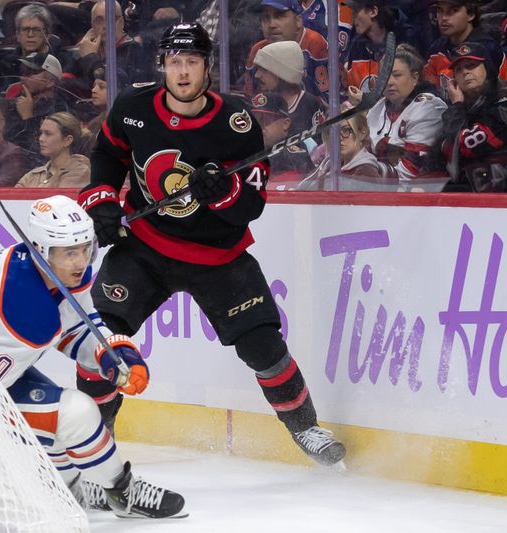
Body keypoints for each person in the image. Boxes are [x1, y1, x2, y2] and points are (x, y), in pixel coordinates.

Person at [80, 22, 346, 466]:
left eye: (192, 62)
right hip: (145, 247)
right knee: (101, 340)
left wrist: (222, 191)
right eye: (174, 62)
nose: (182, 72)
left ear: (207, 67)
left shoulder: (235, 122)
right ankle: (91, 441)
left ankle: (307, 430)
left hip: (217, 256)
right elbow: (108, 155)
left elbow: (252, 204)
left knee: (262, 345)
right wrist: (103, 200)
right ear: (163, 65)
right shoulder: (132, 107)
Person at [0, 195, 185, 518]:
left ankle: (74, 486)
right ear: (41, 250)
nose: (80, 262)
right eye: (69, 252)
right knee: (75, 414)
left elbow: (81, 327)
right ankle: (113, 494)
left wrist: (117, 359)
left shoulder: (42, 270)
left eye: (85, 249)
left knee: (64, 419)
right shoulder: (24, 308)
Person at [437, 42, 507, 192]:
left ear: (488, 70)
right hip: (469, 197)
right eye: (458, 70)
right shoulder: (464, 111)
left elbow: (466, 146)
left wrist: (457, 105)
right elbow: (439, 156)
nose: (465, 72)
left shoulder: (506, 107)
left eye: (471, 65)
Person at [366, 44, 447, 184]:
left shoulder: (429, 107)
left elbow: (412, 169)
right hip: (380, 190)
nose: (389, 82)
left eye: (397, 75)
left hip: (420, 196)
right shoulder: (377, 108)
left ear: (415, 78)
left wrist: (366, 179)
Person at [245, 0, 330, 101]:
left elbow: (328, 100)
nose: (272, 24)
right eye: (266, 18)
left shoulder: (314, 44)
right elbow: (250, 98)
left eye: (279, 16)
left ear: (298, 20)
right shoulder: (258, 50)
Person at [423, 0, 507, 99]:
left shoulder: (488, 48)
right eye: (439, 10)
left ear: (471, 14)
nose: (443, 18)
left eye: (453, 11)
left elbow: (492, 97)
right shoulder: (436, 49)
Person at [252, 40, 326, 149]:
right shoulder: (260, 102)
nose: (257, 75)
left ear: (282, 72)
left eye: (263, 69)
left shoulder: (309, 104)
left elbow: (319, 151)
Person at [297, 107, 384, 190]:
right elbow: (301, 189)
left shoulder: (366, 173)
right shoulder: (328, 163)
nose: (339, 137)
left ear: (362, 132)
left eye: (346, 130)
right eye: (333, 132)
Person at [250, 91, 314, 188]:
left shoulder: (293, 148)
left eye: (265, 120)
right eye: (256, 120)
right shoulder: (253, 146)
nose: (259, 126)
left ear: (285, 123)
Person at [16, 112, 91, 187]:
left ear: (67, 140)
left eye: (48, 134)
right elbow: (14, 196)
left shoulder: (80, 171)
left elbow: (60, 197)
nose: (41, 139)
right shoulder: (32, 175)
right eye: (41, 133)